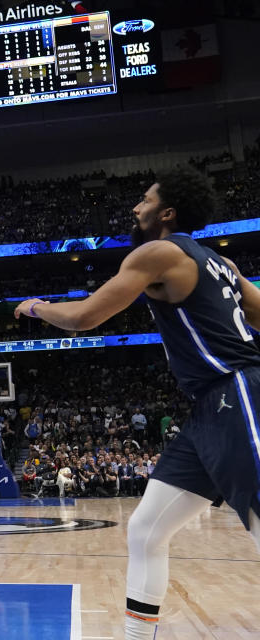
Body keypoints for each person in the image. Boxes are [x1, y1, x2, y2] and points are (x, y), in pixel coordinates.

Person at [14, 167, 260, 640]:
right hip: (209, 407)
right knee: (146, 528)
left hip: (236, 392)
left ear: (166, 213)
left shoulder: (159, 251)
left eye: (144, 200)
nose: (135, 207)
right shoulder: (219, 264)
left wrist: (36, 307)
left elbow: (85, 316)